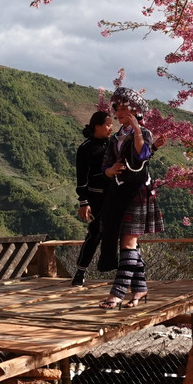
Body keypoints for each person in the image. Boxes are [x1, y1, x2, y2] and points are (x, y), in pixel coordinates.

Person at [98, 87, 164, 309]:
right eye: (119, 108)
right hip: (118, 191)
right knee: (128, 242)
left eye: (126, 108)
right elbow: (105, 165)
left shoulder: (144, 133)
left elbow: (141, 155)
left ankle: (117, 293)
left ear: (136, 112)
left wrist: (136, 127)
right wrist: (110, 171)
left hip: (137, 191)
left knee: (127, 241)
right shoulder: (115, 137)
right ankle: (140, 289)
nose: (121, 112)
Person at [71, 111, 114, 286]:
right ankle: (81, 271)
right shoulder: (86, 148)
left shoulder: (112, 145)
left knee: (124, 232)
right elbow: (82, 177)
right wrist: (84, 201)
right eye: (108, 124)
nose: (111, 128)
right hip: (96, 197)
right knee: (96, 232)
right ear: (97, 125)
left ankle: (126, 274)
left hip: (114, 195)